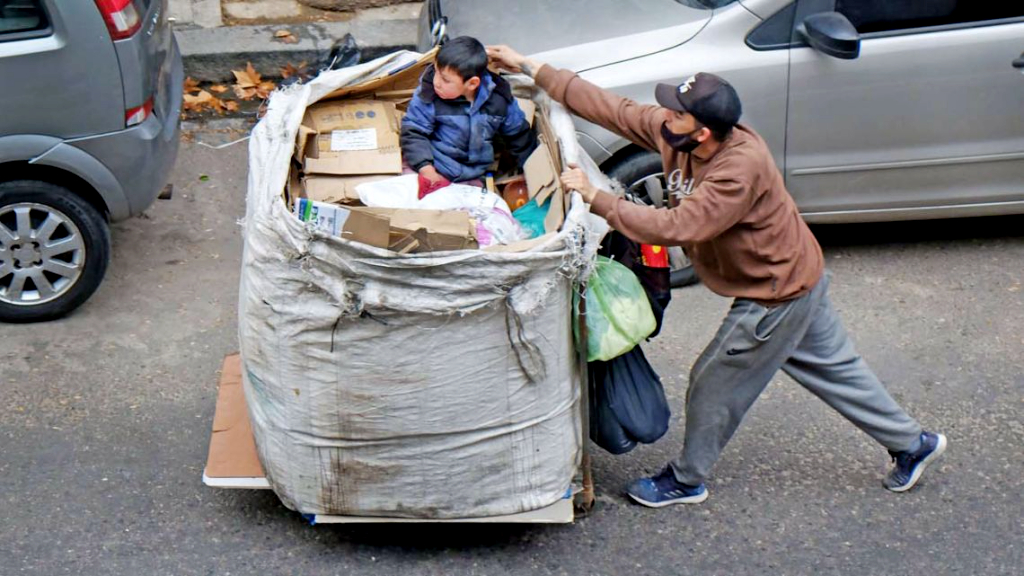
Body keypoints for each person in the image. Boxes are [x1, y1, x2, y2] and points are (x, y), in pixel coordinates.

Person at [487, 45, 947, 507]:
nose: (664, 115)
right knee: (838, 371)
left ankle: (686, 480)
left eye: (676, 113)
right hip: (799, 275)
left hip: (775, 293)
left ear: (703, 132)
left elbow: (678, 227)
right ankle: (914, 444)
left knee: (713, 383)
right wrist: (530, 66)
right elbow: (616, 109)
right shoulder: (679, 134)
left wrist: (596, 197)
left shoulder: (737, 170)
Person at [401, 37, 537, 199]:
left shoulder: (499, 99)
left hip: (473, 176)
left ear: (472, 84)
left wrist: (529, 172)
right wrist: (426, 168)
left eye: (445, 79)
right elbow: (414, 132)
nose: (436, 82)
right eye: (436, 71)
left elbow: (520, 136)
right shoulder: (428, 94)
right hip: (434, 167)